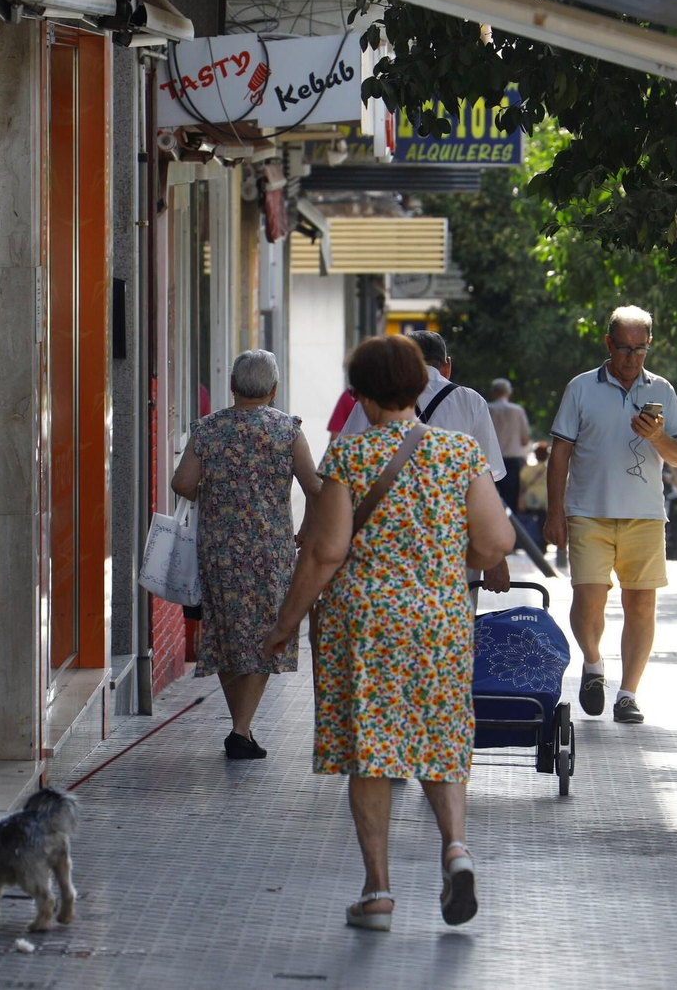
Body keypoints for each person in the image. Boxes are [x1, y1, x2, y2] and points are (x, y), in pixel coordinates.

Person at [264, 335, 514, 931]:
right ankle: (455, 848)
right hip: (439, 620)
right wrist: (453, 556)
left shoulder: (350, 459)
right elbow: (498, 542)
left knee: (372, 753)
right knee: (440, 736)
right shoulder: (459, 454)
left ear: (366, 396)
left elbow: (324, 552)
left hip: (365, 624)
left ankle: (378, 892)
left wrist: (286, 621)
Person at [172, 350, 322, 759]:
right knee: (265, 632)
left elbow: (182, 483)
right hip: (270, 549)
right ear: (273, 390)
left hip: (219, 547)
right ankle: (241, 729)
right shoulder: (287, 431)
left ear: (232, 387)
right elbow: (316, 488)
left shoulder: (208, 429)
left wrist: (218, 488)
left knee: (224, 630)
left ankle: (241, 729)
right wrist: (306, 529)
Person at [543, 306, 677, 725]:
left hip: (645, 516)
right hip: (589, 512)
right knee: (589, 598)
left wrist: (657, 435)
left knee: (641, 604)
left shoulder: (664, 391)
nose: (631, 358)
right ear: (608, 344)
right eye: (624, 348)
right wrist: (556, 513)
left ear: (649, 346)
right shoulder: (582, 388)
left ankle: (628, 694)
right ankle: (592, 665)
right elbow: (560, 455)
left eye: (640, 349)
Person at [337, 329, 511, 593]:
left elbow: (344, 475)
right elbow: (487, 479)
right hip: (452, 540)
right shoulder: (470, 402)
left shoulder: (372, 402)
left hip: (382, 542)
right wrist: (496, 559)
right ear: (447, 366)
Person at [486, 377, 531, 513]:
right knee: (510, 503)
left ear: (493, 393)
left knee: (489, 502)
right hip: (513, 462)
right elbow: (525, 440)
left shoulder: (487, 408)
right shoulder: (518, 411)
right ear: (508, 393)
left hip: (490, 461)